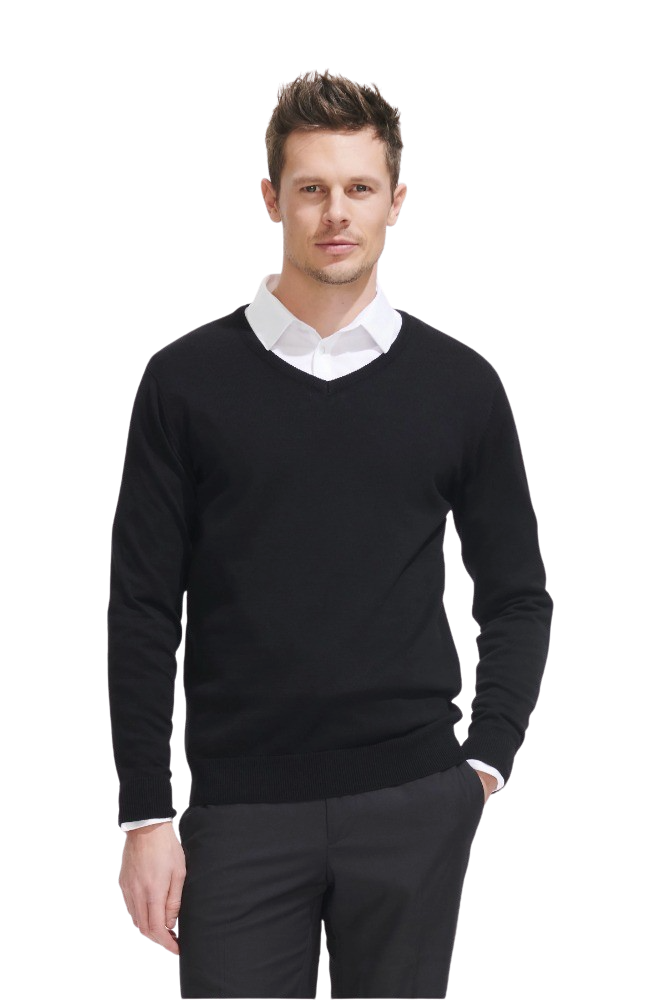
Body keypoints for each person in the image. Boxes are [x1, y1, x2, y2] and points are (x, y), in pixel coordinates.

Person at [109, 68, 553, 999]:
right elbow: (142, 606)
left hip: (414, 803)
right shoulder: (182, 382)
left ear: (396, 201)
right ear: (272, 198)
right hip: (237, 814)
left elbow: (517, 594)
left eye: (359, 188)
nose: (336, 213)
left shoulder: (462, 385)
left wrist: (483, 767)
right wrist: (144, 818)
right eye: (311, 188)